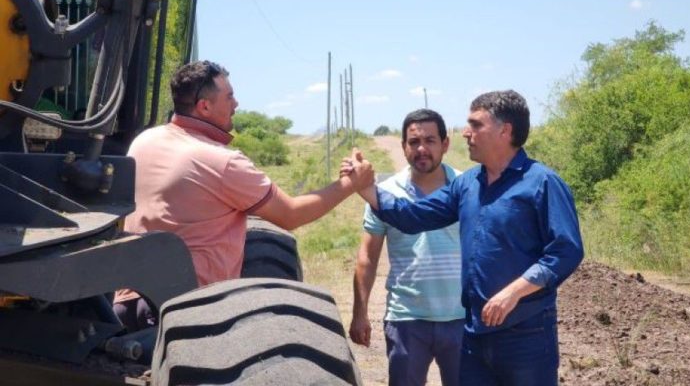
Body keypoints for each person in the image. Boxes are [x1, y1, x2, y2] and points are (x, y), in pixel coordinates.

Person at [113, 60, 374, 331]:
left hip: (130, 302)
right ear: (204, 106)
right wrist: (350, 185)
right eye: (229, 97)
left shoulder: (144, 141)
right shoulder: (221, 162)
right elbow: (291, 213)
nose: (236, 104)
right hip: (192, 312)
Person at [348, 90, 583, 385]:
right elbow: (413, 216)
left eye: (475, 124)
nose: (465, 133)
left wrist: (514, 292)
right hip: (474, 333)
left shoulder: (542, 182)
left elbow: (566, 250)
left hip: (526, 334)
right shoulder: (468, 184)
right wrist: (366, 188)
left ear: (504, 130)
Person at [349, 109, 464, 386]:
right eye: (414, 142)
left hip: (462, 317)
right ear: (403, 147)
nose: (421, 149)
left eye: (430, 140)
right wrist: (359, 312)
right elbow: (367, 257)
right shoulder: (384, 194)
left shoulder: (466, 187)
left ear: (445, 144)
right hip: (406, 318)